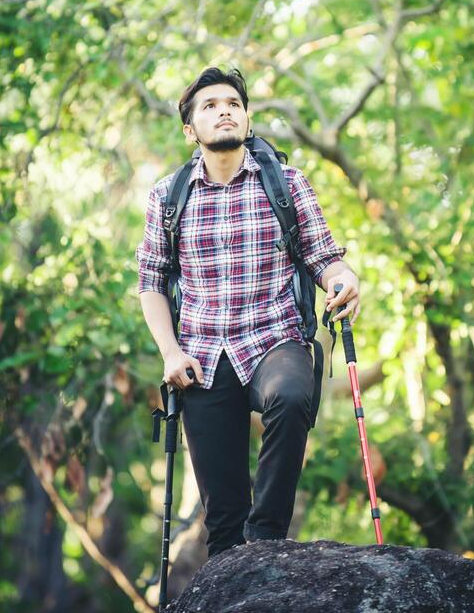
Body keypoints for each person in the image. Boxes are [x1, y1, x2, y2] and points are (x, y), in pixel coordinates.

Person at [136, 66, 360, 558]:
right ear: (190, 130)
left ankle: (268, 541)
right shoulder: (168, 197)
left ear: (247, 119)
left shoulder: (287, 183)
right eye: (210, 105)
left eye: (233, 104)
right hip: (201, 361)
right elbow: (150, 282)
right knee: (222, 524)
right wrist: (170, 353)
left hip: (274, 339)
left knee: (293, 395)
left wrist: (345, 280)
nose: (224, 111)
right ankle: (230, 588)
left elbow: (324, 257)